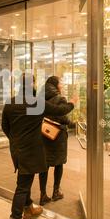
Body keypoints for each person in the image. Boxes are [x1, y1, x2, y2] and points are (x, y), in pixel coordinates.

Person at [2, 74, 70, 219]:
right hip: (31, 150)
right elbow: (60, 110)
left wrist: (15, 140)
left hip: (17, 150)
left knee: (24, 180)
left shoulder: (11, 102)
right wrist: (73, 102)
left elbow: (5, 127)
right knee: (23, 186)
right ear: (31, 84)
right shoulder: (35, 102)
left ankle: (28, 207)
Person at [38, 77, 75, 206]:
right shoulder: (60, 99)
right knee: (58, 164)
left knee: (45, 164)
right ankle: (55, 192)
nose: (62, 85)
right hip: (57, 136)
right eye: (61, 83)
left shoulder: (40, 97)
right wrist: (72, 124)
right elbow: (61, 116)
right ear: (56, 85)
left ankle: (43, 194)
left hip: (43, 134)